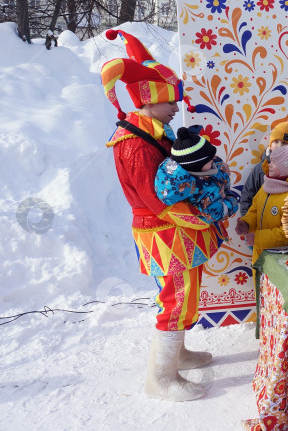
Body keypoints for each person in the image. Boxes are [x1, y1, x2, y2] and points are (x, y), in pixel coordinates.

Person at [101, 29, 219, 401]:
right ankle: (161, 378)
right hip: (166, 232)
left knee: (186, 295)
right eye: (170, 100)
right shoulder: (136, 141)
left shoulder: (156, 132)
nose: (176, 106)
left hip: (176, 232)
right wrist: (204, 217)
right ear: (150, 100)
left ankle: (177, 355)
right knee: (175, 297)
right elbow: (157, 200)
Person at [155, 127, 239, 228]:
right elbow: (218, 213)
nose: (213, 160)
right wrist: (232, 199)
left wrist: (222, 171)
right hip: (204, 232)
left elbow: (210, 171)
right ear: (197, 166)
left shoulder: (197, 171)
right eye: (209, 160)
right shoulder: (201, 192)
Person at [235, 145, 288, 263]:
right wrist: (247, 223)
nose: (269, 165)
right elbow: (254, 210)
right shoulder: (266, 186)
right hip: (261, 253)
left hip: (283, 259)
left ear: (286, 167)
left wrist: (257, 238)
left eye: (273, 162)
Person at [239, 122, 288, 216]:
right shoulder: (260, 168)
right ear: (270, 145)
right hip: (263, 222)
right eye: (276, 142)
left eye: (285, 143)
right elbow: (248, 195)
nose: (279, 146)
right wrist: (247, 222)